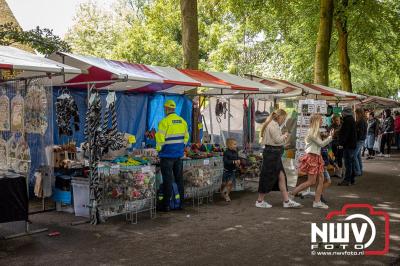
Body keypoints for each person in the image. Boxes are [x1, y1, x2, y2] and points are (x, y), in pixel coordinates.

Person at [256, 109, 301, 209]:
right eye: (284, 118)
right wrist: (285, 135)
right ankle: (260, 200)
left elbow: (276, 141)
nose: (284, 121)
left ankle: (286, 201)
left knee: (281, 177)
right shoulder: (273, 125)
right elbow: (277, 140)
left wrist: (282, 142)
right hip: (272, 154)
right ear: (280, 117)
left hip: (273, 153)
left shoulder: (272, 124)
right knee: (267, 177)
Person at [290, 114, 333, 209]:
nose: (322, 121)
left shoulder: (314, 131)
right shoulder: (312, 132)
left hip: (316, 157)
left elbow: (319, 145)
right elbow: (321, 144)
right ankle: (292, 193)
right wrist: (330, 137)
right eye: (321, 120)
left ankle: (317, 201)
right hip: (313, 157)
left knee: (320, 179)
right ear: (316, 121)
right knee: (311, 181)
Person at [156, 100, 189, 212]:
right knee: (179, 180)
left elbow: (160, 140)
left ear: (166, 109)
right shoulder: (182, 121)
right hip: (178, 156)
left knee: (168, 180)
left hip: (166, 156)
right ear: (174, 109)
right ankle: (181, 204)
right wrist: (181, 147)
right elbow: (186, 138)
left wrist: (158, 151)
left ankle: (166, 205)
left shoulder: (164, 122)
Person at [338, 107, 357, 186]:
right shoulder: (352, 120)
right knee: (351, 162)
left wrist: (341, 143)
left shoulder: (347, 121)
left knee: (348, 163)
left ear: (345, 113)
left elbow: (345, 134)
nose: (342, 114)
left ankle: (347, 180)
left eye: (342, 112)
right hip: (352, 144)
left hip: (348, 145)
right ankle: (351, 179)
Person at [320, 132, 334, 204]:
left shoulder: (325, 146)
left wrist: (333, 164)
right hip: (321, 167)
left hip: (324, 167)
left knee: (324, 182)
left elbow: (328, 156)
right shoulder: (321, 147)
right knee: (326, 181)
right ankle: (319, 195)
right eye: (326, 139)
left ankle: (319, 195)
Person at [354, 108, 367, 176]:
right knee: (358, 156)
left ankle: (358, 171)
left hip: (359, 140)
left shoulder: (361, 121)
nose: (355, 114)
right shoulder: (362, 120)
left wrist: (357, 138)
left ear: (359, 113)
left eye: (356, 113)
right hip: (361, 140)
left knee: (354, 155)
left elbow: (361, 132)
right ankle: (360, 170)